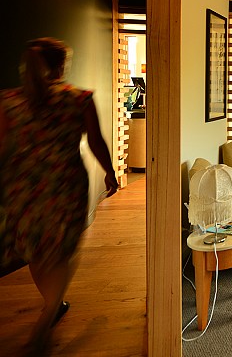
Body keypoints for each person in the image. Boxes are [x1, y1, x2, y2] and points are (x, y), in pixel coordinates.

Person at [0, 38, 119, 353]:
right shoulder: (78, 99)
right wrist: (110, 172)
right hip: (64, 187)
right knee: (62, 249)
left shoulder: (9, 101)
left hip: (22, 188)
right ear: (61, 65)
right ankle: (49, 312)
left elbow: (2, 147)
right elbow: (95, 141)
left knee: (36, 250)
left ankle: (53, 303)